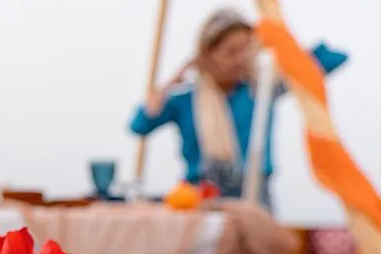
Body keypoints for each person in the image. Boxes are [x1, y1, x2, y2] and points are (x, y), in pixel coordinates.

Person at [128, 7, 348, 211]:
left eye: (246, 50)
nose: (240, 59)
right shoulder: (185, 100)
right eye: (231, 52)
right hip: (202, 199)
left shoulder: (261, 90)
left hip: (255, 197)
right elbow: (140, 125)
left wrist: (279, 42)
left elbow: (333, 59)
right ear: (207, 55)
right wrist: (169, 85)